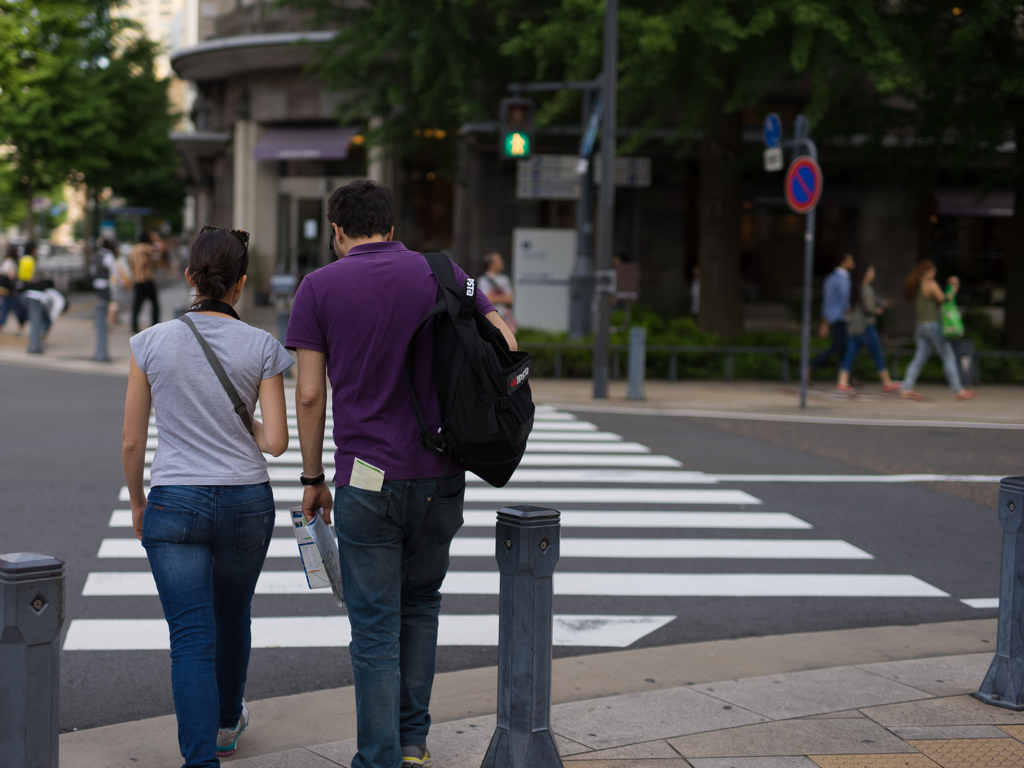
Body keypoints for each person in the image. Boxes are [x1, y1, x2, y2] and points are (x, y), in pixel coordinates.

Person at [286, 180, 516, 768]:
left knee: (374, 624)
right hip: (440, 476)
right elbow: (505, 339)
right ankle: (413, 743)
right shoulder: (446, 272)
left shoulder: (318, 287)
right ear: (391, 227)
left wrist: (313, 477)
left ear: (338, 231)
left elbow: (309, 395)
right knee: (421, 606)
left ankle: (379, 757)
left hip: (365, 481)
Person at [121, 227, 294, 768]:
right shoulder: (261, 345)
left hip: (175, 500)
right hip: (245, 501)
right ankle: (226, 724)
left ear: (191, 277)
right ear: (240, 285)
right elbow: (276, 443)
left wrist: (137, 503)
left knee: (190, 638)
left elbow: (131, 440)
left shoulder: (149, 342)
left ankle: (202, 761)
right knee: (233, 613)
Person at [899, 259, 976, 400]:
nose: (934, 274)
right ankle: (958, 390)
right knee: (948, 356)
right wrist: (953, 286)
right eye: (932, 271)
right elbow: (945, 300)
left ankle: (906, 388)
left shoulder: (916, 285)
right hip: (933, 325)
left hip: (920, 326)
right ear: (926, 271)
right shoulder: (930, 284)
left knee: (918, 359)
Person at [836, 264, 900, 393]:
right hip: (866, 326)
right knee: (877, 353)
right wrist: (878, 310)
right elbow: (869, 308)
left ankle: (842, 382)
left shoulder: (857, 287)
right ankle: (887, 382)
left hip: (854, 326)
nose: (873, 273)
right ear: (866, 274)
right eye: (871, 271)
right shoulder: (867, 289)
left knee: (850, 354)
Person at [810, 253, 854, 374]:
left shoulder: (830, 278)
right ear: (843, 262)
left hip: (833, 317)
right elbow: (845, 298)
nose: (852, 263)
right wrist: (850, 312)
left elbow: (827, 301)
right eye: (850, 260)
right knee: (839, 347)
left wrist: (825, 320)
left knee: (842, 347)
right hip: (841, 317)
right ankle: (811, 366)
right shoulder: (843, 278)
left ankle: (846, 375)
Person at [478, 251, 517, 332]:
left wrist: (494, 297)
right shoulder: (483, 280)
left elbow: (509, 299)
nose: (503, 263)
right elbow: (487, 299)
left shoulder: (505, 279)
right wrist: (503, 297)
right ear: (492, 264)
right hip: (490, 318)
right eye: (500, 261)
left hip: (505, 318)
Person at [130, 232, 160, 333]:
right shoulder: (146, 247)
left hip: (137, 280)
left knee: (137, 305)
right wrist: (156, 239)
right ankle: (155, 325)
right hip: (147, 280)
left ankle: (134, 326)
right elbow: (159, 249)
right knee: (155, 305)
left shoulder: (133, 250)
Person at [109, 244, 133, 325]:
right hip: (119, 285)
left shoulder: (117, 261)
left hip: (114, 284)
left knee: (116, 302)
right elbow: (126, 275)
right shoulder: (123, 262)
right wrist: (128, 283)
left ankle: (115, 319)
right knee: (115, 303)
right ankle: (111, 320)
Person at [0, 244, 21, 333]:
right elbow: (11, 276)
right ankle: (21, 324)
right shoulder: (12, 262)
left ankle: (2, 325)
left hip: (3, 288)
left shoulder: (6, 261)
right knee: (14, 307)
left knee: (5, 306)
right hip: (9, 289)